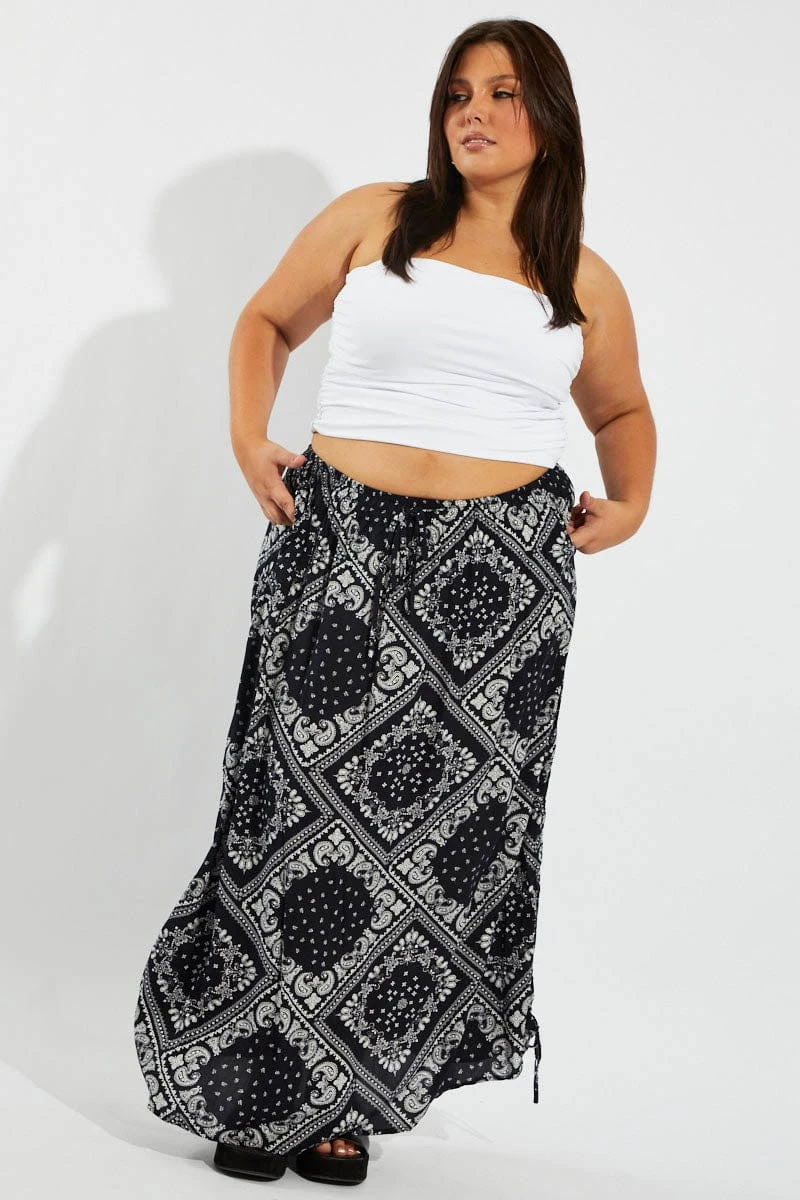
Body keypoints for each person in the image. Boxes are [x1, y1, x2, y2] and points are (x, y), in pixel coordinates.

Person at [133, 17, 656, 1187]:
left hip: (497, 587)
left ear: (549, 118)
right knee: (290, 815)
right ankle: (252, 1081)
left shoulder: (580, 277)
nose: (474, 112)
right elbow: (265, 322)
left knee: (428, 852)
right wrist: (247, 436)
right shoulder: (374, 218)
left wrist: (627, 504)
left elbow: (620, 411)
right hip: (341, 544)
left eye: (503, 93)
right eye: (458, 93)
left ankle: (345, 1102)